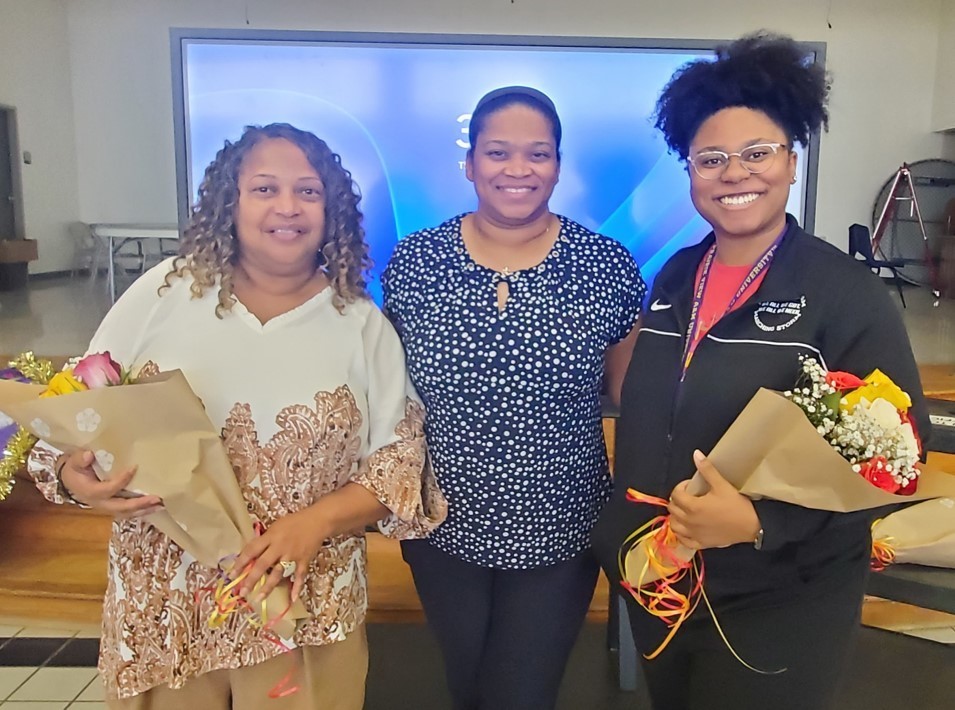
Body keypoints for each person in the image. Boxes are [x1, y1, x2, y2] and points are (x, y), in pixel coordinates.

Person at [27, 123, 445, 709]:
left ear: (332, 210)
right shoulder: (163, 293)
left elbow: (398, 469)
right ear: (231, 202)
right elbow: (78, 412)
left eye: (308, 191)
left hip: (301, 608)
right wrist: (77, 479)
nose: (287, 208)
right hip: (166, 612)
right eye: (264, 189)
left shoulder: (359, 323)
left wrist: (313, 523)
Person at [591, 33, 931, 710]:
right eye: (710, 158)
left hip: (782, 596)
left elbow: (898, 457)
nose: (734, 173)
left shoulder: (842, 293)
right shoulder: (675, 275)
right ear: (688, 171)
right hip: (664, 578)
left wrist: (756, 521)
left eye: (756, 153)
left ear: (791, 161)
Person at [383, 86, 647, 710]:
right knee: (467, 683)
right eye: (498, 152)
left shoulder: (604, 266)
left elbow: (633, 396)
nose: (518, 169)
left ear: (558, 165)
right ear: (469, 163)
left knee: (521, 693)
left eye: (539, 154)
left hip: (561, 526)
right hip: (441, 521)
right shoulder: (416, 260)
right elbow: (386, 390)